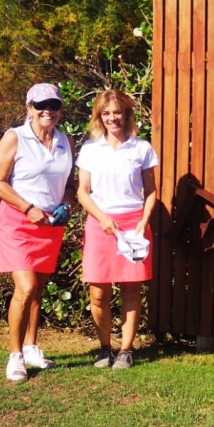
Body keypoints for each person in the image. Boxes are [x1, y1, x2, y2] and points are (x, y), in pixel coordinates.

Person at [0, 83, 74, 382]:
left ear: (60, 109)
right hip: (18, 220)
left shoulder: (65, 141)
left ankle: (31, 347)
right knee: (24, 288)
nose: (47, 110)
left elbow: (70, 185)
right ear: (29, 108)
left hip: (50, 225)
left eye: (53, 105)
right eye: (41, 105)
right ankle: (15, 357)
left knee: (38, 288)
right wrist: (27, 208)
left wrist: (67, 204)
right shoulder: (15, 137)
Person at [76, 89, 158, 370]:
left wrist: (143, 221)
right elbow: (83, 193)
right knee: (98, 294)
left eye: (118, 112)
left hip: (134, 226)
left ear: (127, 114)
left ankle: (126, 350)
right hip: (101, 226)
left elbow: (151, 192)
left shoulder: (142, 148)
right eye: (107, 113)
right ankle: (104, 348)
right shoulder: (89, 149)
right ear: (100, 116)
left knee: (131, 291)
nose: (113, 118)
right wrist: (102, 217)